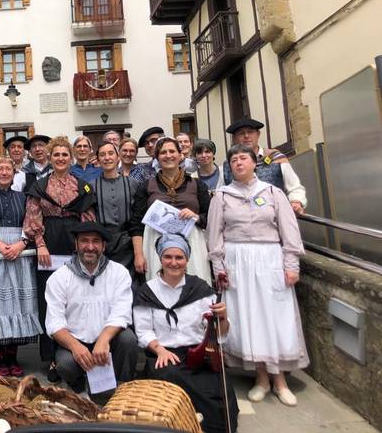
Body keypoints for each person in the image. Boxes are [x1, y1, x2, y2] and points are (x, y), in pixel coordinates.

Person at [208, 144, 309, 406]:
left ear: (255, 163)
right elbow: (214, 236)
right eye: (233, 160)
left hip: (269, 259)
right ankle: (261, 378)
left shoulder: (273, 192)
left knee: (275, 317)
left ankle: (281, 380)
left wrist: (291, 265)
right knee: (249, 318)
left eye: (243, 158)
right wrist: (219, 269)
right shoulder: (222, 196)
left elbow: (289, 232)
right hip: (237, 261)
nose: (238, 163)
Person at [134, 234, 239, 433]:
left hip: (200, 353)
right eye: (168, 257)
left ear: (187, 260)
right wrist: (159, 350)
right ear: (160, 258)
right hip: (164, 353)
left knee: (219, 392)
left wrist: (223, 318)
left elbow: (217, 333)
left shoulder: (199, 288)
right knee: (172, 381)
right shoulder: (147, 291)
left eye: (179, 257)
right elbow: (143, 330)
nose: (173, 262)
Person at [23, 136, 96, 381]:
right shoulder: (40, 186)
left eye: (65, 155)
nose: (61, 158)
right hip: (49, 245)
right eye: (57, 155)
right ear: (50, 158)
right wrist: (40, 245)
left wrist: (85, 248)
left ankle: (80, 354)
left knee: (76, 300)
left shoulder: (82, 186)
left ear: (71, 157)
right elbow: (32, 217)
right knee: (49, 302)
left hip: (75, 243)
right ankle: (53, 359)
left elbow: (88, 218)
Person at [45, 222, 136, 398]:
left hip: (108, 340)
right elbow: (54, 323)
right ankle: (79, 388)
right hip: (76, 340)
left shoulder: (119, 273)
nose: (90, 247)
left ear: (103, 246)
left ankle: (122, 388)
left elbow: (121, 312)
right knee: (65, 363)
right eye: (84, 241)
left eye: (96, 241)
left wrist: (103, 339)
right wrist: (75, 346)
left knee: (128, 341)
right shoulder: (59, 277)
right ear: (76, 244)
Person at [0, 158, 42, 376]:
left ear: (14, 174)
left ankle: (13, 356)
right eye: (0, 169)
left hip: (19, 252)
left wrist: (21, 243)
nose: (4, 172)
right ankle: (0, 356)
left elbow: (33, 223)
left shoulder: (24, 198)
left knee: (17, 303)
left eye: (8, 169)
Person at [130, 137, 212, 283]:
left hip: (191, 241)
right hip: (156, 240)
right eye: (163, 152)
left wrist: (196, 217)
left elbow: (210, 217)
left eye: (172, 151)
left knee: (194, 284)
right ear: (157, 157)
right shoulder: (146, 186)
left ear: (181, 155)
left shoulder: (196, 184)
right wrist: (138, 255)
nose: (168, 155)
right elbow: (136, 224)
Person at [223, 118, 307, 214]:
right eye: (241, 133)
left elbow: (295, 187)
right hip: (241, 220)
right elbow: (221, 195)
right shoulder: (228, 166)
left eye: (250, 132)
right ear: (234, 138)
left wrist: (296, 202)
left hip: (275, 218)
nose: (246, 136)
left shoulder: (276, 158)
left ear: (258, 134)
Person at [92, 141, 140, 275]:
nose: (107, 158)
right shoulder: (92, 186)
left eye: (110, 153)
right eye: (102, 155)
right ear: (98, 159)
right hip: (104, 244)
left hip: (128, 244)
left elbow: (138, 217)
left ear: (118, 157)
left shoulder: (132, 183)